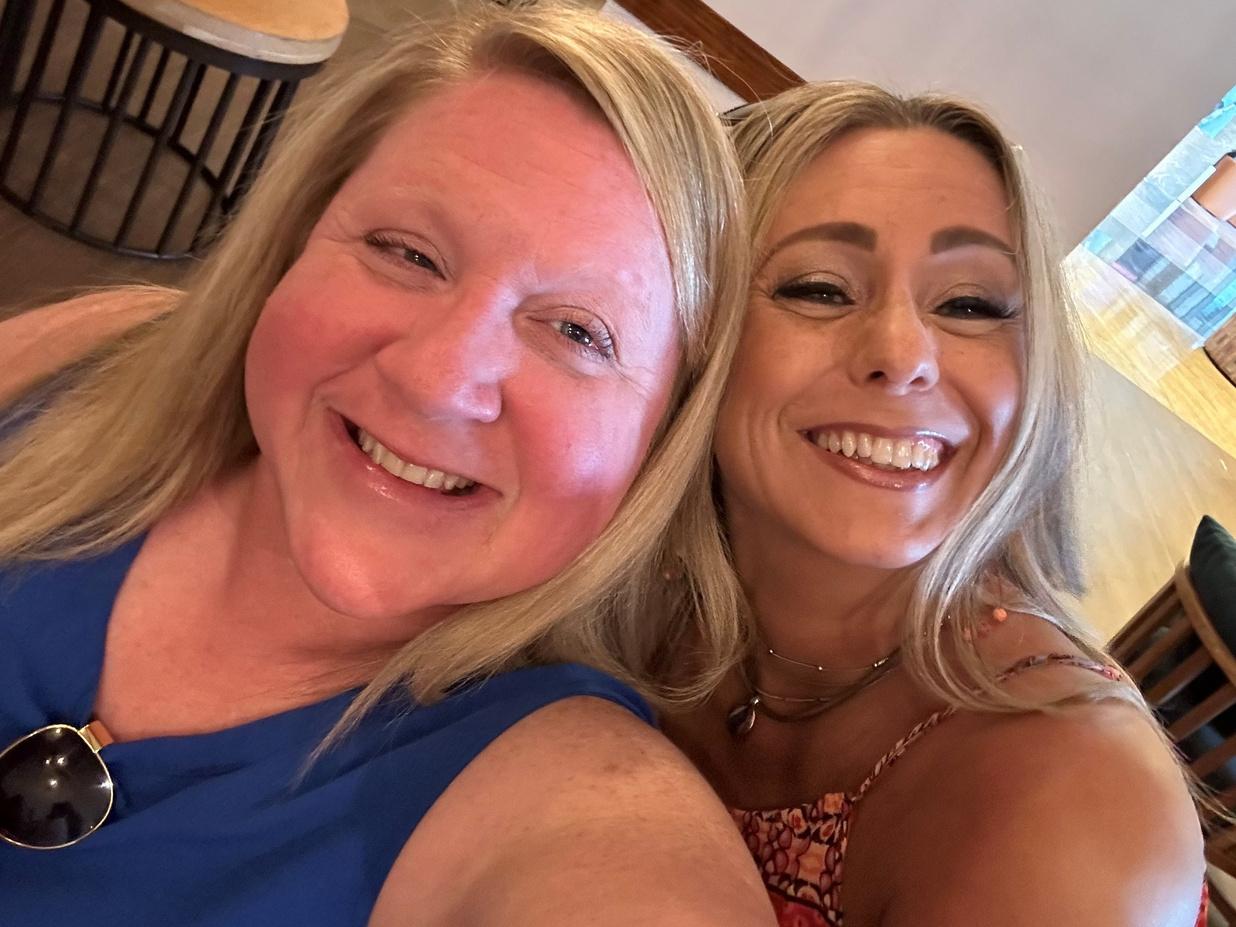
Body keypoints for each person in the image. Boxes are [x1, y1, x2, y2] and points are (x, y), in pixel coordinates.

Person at [0, 5, 774, 925]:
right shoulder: (97, 353)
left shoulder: (567, 802)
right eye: (407, 252)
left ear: (661, 438)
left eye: (577, 332)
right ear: (296, 236)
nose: (436, 379)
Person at [661, 81, 1208, 926]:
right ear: (691, 317)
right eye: (819, 288)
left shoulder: (1070, 808)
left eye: (969, 304)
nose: (903, 353)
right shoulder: (608, 584)